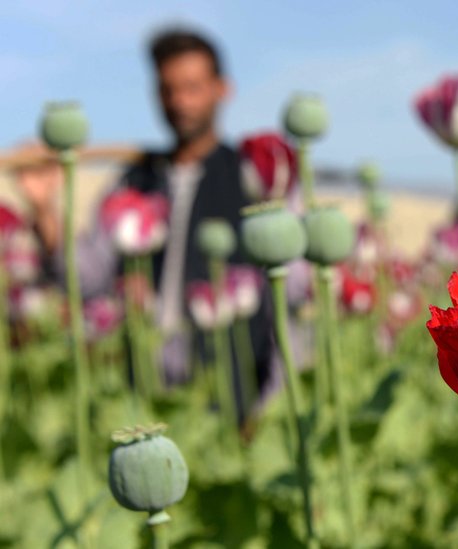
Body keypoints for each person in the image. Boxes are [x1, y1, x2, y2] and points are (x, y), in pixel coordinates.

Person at [21, 28, 274, 412]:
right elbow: (86, 276)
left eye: (192, 87)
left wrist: (267, 405)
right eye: (167, 90)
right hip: (140, 397)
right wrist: (43, 206)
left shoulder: (251, 179)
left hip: (230, 397)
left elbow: (282, 307)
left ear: (222, 89)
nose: (179, 102)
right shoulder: (133, 182)